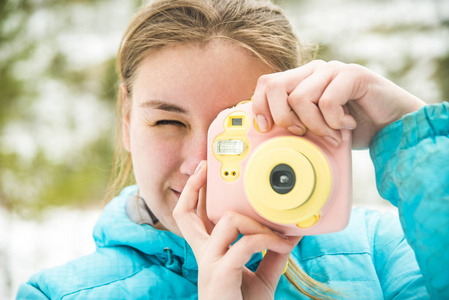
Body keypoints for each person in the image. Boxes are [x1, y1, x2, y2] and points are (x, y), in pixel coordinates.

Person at [16, 0, 448, 299]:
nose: (201, 163)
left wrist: (408, 133)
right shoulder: (54, 295)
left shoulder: (383, 252)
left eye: (239, 129)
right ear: (127, 120)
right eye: (168, 122)